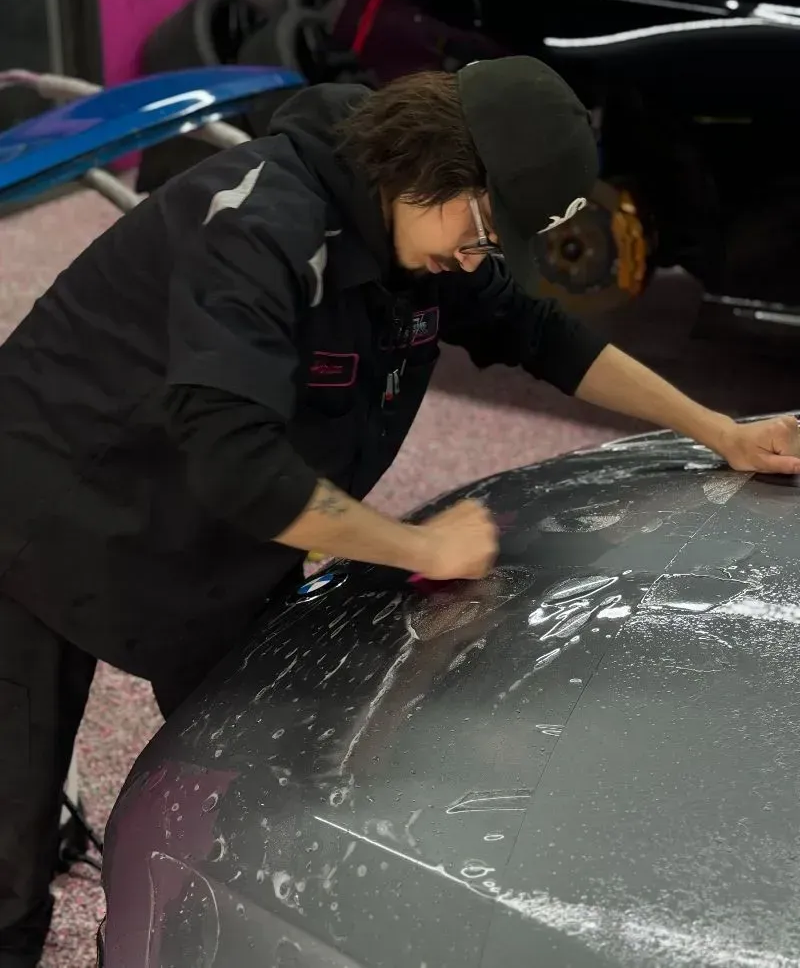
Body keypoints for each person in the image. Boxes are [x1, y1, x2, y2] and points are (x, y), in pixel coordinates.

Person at [0, 55, 798, 965]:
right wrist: (411, 541)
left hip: (199, 518)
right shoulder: (262, 224)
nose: (473, 259)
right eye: (480, 230)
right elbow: (234, 456)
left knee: (260, 768)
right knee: (6, 854)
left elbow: (542, 335)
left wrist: (719, 430)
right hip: (40, 499)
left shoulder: (423, 225)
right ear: (432, 164)